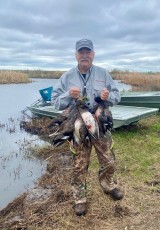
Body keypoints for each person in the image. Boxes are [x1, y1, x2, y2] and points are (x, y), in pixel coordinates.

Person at [52, 38, 123, 216]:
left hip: (100, 122)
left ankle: (108, 185)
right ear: (76, 55)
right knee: (79, 164)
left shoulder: (103, 74)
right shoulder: (66, 77)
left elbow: (117, 95)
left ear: (93, 54)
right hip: (79, 123)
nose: (85, 55)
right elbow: (55, 102)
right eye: (81, 52)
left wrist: (108, 96)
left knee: (108, 159)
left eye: (88, 52)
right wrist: (68, 94)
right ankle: (80, 198)